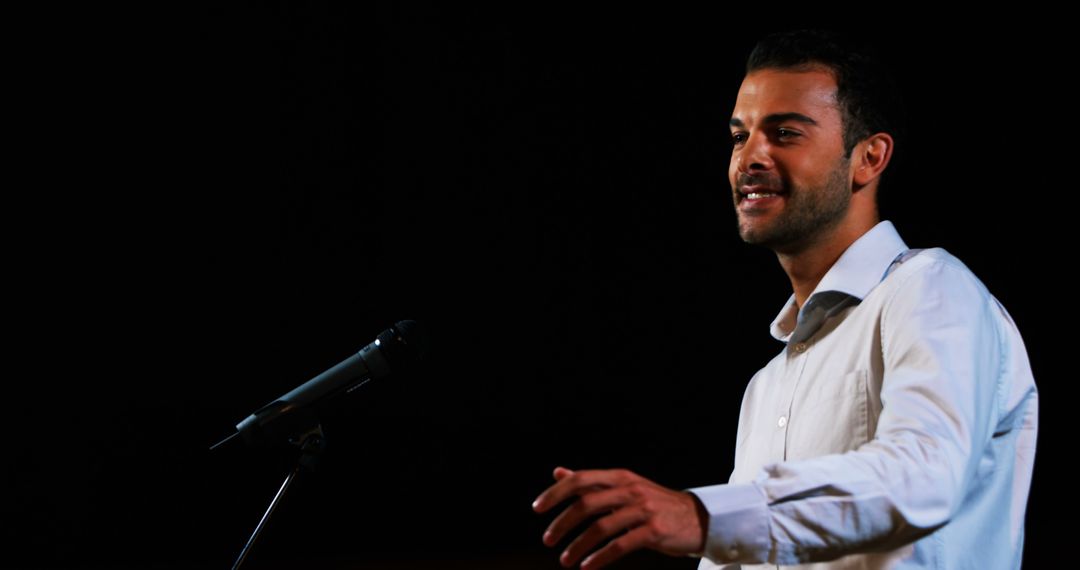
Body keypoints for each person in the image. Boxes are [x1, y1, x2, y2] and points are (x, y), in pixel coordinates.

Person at [531, 29, 1038, 569]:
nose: (750, 157)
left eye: (785, 133)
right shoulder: (766, 387)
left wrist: (701, 516)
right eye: (738, 136)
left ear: (868, 158)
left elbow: (923, 477)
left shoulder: (929, 287)